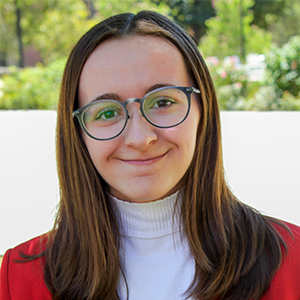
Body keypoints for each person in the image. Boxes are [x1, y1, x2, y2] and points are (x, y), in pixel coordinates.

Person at [0, 11, 300, 300]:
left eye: (163, 101)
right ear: (77, 133)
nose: (141, 138)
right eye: (106, 112)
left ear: (203, 111)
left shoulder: (293, 261)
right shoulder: (20, 277)